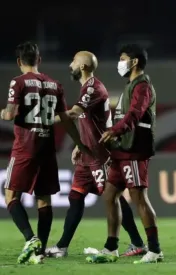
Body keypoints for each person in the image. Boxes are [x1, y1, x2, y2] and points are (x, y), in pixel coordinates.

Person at [45, 51, 147, 258]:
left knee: (114, 199)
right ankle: (62, 246)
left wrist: (41, 119)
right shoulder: (87, 88)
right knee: (75, 196)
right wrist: (79, 145)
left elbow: (73, 113)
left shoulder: (92, 87)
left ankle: (137, 242)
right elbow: (87, 120)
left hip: (100, 156)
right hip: (87, 155)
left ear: (82, 66)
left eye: (73, 61)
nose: (70, 65)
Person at [1, 41, 91, 264]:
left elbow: (10, 115)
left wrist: (3, 113)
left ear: (19, 62)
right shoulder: (55, 84)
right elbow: (67, 120)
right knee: (44, 200)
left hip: (25, 148)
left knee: (11, 196)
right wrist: (79, 143)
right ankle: (39, 252)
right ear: (39, 60)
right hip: (47, 148)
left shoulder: (18, 82)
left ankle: (31, 239)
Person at [87, 44, 163, 264]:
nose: (120, 63)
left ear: (134, 61)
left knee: (139, 196)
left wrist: (115, 131)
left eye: (123, 58)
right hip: (122, 150)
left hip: (135, 150)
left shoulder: (142, 86)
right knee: (110, 196)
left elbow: (135, 114)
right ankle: (111, 247)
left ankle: (155, 249)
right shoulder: (130, 86)